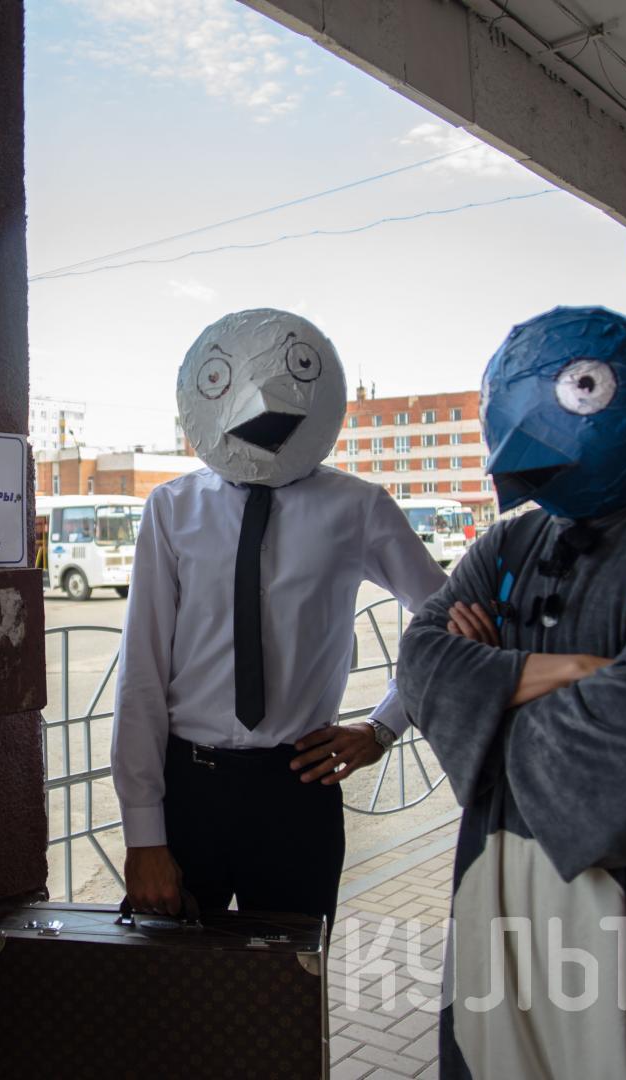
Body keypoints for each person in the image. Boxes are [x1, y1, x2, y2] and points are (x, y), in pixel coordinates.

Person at [398, 308, 626, 1079]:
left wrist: (491, 688)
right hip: (501, 879)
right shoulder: (511, 539)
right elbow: (422, 659)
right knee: (500, 1051)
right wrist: (577, 670)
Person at [112, 308, 447, 926]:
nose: (263, 403)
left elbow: (445, 620)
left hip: (297, 789)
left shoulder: (358, 508)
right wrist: (143, 835)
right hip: (190, 790)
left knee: (291, 979)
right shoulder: (172, 509)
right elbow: (142, 673)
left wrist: (384, 726)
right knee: (171, 977)